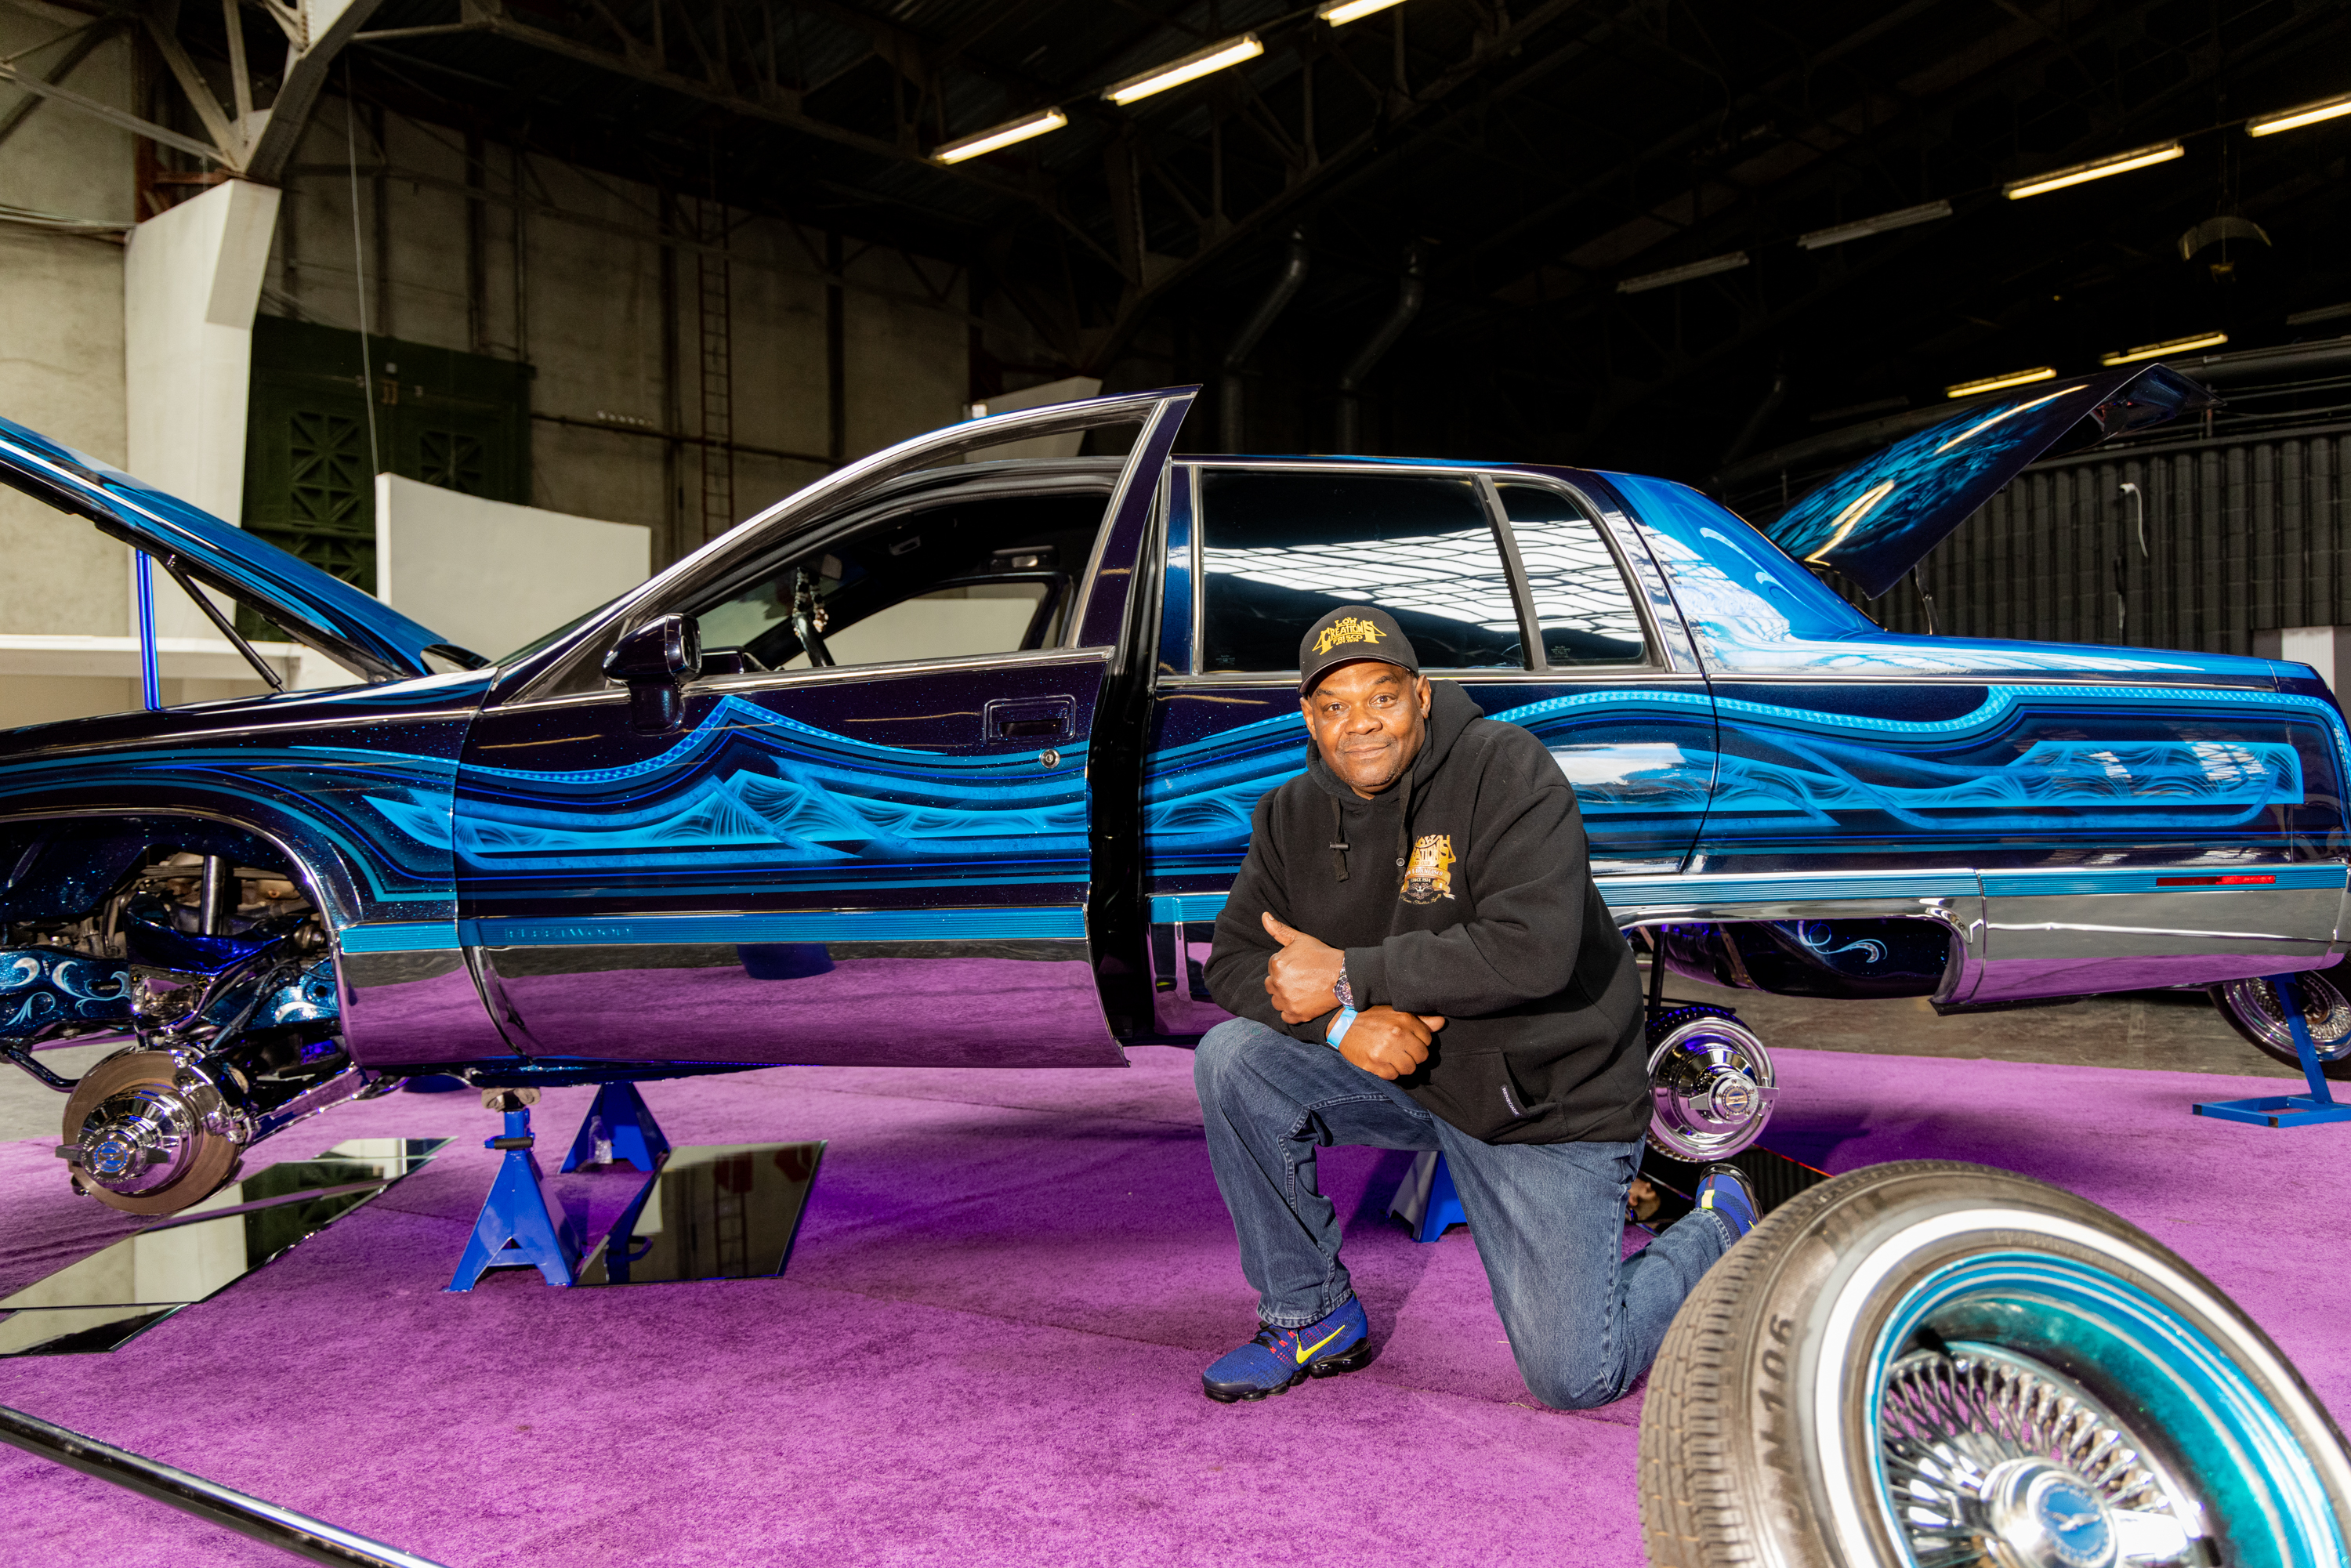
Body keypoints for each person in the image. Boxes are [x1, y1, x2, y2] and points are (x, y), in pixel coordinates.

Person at [1192, 604, 1758, 1407]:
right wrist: (1343, 1026)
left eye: (1381, 697)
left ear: (1421, 696)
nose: (1361, 724)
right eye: (1335, 706)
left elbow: (1533, 947)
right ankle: (1309, 1314)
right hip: (1420, 1081)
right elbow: (1235, 960)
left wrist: (1352, 977)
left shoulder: (1507, 769)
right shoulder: (1288, 814)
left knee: (1576, 1377)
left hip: (1544, 1099)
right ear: (1309, 718)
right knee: (1235, 1060)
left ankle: (1719, 1225)